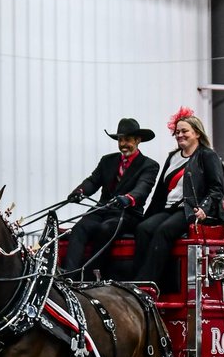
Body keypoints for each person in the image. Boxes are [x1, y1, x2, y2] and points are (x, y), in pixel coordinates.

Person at [133, 107, 224, 287]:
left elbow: (216, 188)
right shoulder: (173, 157)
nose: (180, 135)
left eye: (184, 131)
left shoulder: (208, 155)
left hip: (190, 209)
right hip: (169, 208)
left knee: (164, 230)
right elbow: (161, 191)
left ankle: (147, 283)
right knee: (143, 229)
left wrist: (204, 208)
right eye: (177, 132)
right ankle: (137, 277)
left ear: (197, 133)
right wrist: (148, 214)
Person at [61, 117, 158, 279]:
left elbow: (143, 188)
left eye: (127, 140)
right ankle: (69, 275)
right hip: (102, 209)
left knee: (105, 229)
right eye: (120, 140)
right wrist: (79, 191)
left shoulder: (149, 165)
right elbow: (93, 181)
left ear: (138, 140)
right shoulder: (108, 161)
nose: (123, 144)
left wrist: (128, 198)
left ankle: (92, 274)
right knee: (80, 228)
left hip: (127, 213)